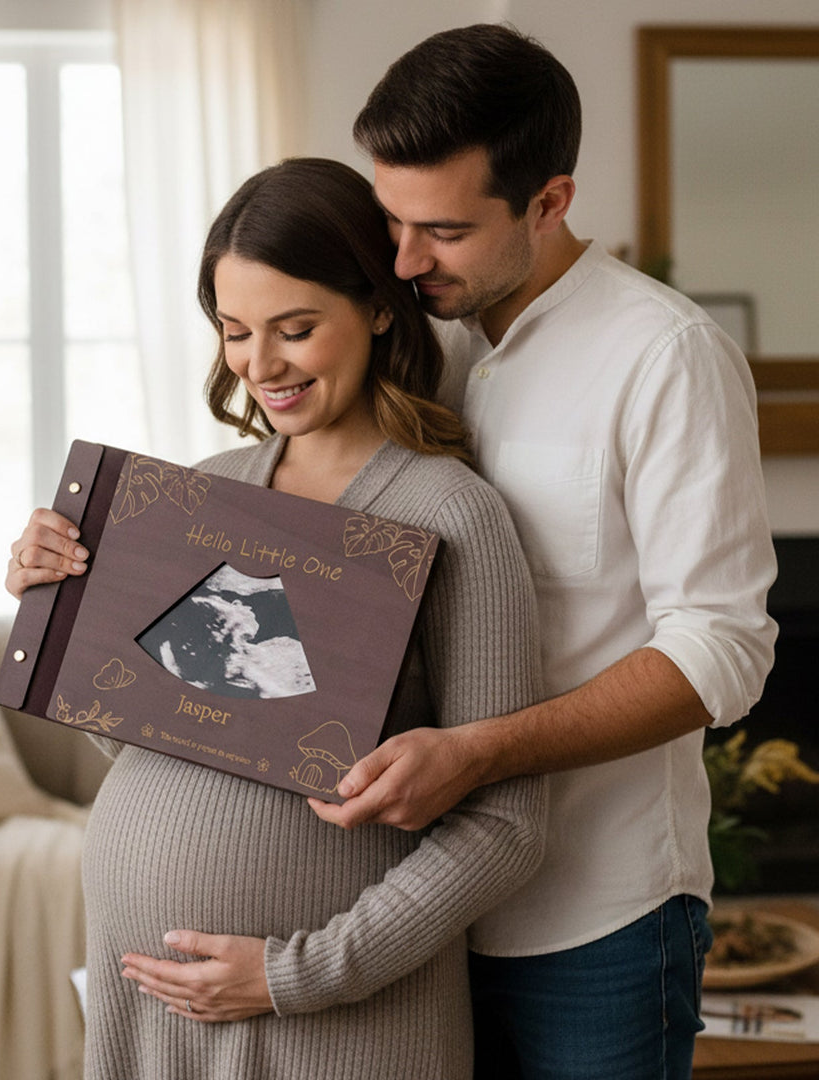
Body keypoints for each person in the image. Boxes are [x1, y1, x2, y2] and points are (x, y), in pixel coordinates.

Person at [297, 23, 776, 1079]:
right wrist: (79, 555)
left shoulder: (666, 357)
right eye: (391, 221)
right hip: (413, 904)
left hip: (599, 921)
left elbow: (723, 653)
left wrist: (480, 753)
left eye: (447, 231)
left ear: (550, 202)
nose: (408, 258)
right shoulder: (416, 340)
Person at [8, 157, 547, 1079]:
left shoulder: (450, 515)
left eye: (295, 329)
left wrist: (295, 976)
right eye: (235, 332)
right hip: (154, 1018)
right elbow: (162, 737)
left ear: (379, 308)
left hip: (333, 1026)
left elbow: (508, 825)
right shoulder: (204, 495)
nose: (260, 366)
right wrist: (53, 600)